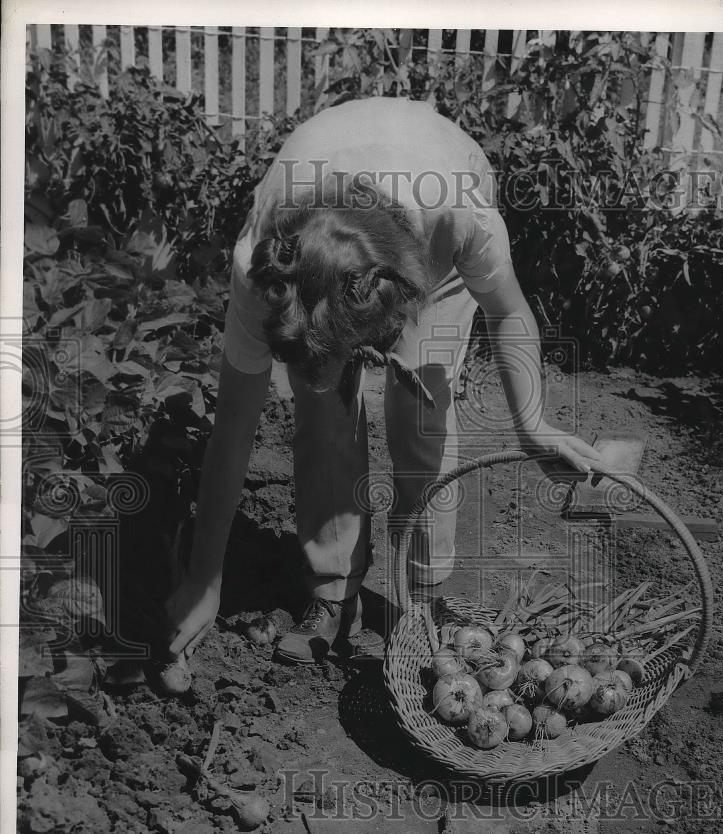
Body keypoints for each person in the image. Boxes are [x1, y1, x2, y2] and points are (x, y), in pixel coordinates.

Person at [165, 96, 608, 666]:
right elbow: (233, 427)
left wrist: (532, 422)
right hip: (324, 232)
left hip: (432, 224)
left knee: (421, 415)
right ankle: (331, 591)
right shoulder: (268, 266)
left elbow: (508, 310)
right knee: (322, 413)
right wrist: (205, 580)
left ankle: (420, 603)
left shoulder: (460, 215)